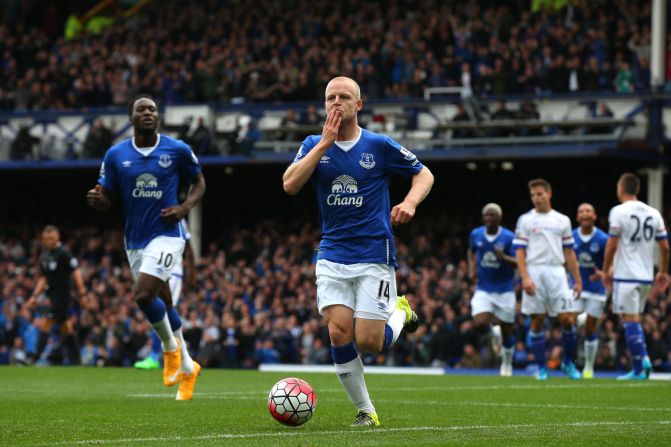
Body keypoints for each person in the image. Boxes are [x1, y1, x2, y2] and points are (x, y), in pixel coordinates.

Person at [282, 76, 434, 426]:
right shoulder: (312, 144)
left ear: (358, 104)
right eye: (330, 97)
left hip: (373, 254)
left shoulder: (378, 145)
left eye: (344, 97)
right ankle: (367, 411)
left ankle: (400, 312)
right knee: (337, 332)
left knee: (370, 342)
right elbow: (290, 184)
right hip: (332, 254)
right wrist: (323, 144)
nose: (337, 102)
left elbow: (424, 174)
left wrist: (409, 202)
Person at [86, 94, 206, 400]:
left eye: (152, 109)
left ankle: (170, 349)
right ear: (131, 118)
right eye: (141, 109)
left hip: (168, 234)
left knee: (142, 294)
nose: (148, 112)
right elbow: (107, 197)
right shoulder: (116, 155)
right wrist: (100, 202)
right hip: (135, 239)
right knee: (164, 303)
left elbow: (199, 183)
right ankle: (189, 367)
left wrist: (184, 208)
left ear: (158, 117)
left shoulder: (177, 150)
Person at [514, 178, 583, 380]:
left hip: (557, 272)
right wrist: (524, 277)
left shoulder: (562, 220)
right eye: (533, 195)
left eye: (539, 194)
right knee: (537, 321)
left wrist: (577, 280)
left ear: (549, 194)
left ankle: (568, 363)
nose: (536, 198)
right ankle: (542, 368)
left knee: (568, 319)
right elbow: (519, 252)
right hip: (534, 271)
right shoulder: (525, 220)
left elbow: (569, 253)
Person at [602, 173, 669, 380]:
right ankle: (642, 361)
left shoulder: (619, 211)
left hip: (626, 275)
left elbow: (612, 245)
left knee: (629, 320)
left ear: (620, 188)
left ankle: (641, 366)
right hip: (645, 276)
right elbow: (665, 246)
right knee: (635, 319)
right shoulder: (653, 213)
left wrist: (606, 270)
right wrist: (663, 272)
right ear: (637, 190)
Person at [134, 219, 194, 371]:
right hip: (158, 269)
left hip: (173, 272)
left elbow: (189, 249)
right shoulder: (154, 214)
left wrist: (192, 273)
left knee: (162, 309)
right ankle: (180, 357)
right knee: (159, 310)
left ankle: (157, 355)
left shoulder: (178, 218)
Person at [467, 203, 517, 377]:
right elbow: (471, 252)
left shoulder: (509, 237)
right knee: (479, 323)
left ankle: (507, 364)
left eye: (492, 215)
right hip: (484, 288)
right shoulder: (476, 234)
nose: (489, 218)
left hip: (505, 290)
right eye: (486, 215)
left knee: (508, 329)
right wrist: (471, 269)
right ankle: (493, 333)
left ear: (499, 218)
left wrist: (503, 257)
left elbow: (519, 262)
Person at [26, 225, 86, 365]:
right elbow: (43, 278)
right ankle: (77, 360)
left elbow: (76, 272)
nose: (49, 241)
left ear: (57, 237)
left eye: (52, 238)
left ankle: (34, 357)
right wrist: (34, 296)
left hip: (63, 294)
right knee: (66, 326)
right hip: (52, 296)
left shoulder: (63, 253)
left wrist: (82, 293)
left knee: (46, 321)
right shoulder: (46, 255)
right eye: (46, 238)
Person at [570, 203, 608, 379]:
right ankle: (568, 362)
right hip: (575, 287)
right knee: (569, 322)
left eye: (588, 211)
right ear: (577, 217)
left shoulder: (603, 238)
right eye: (581, 211)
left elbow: (613, 260)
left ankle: (588, 367)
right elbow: (564, 258)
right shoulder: (570, 237)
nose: (585, 214)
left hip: (596, 288)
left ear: (594, 216)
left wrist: (605, 273)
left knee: (591, 328)